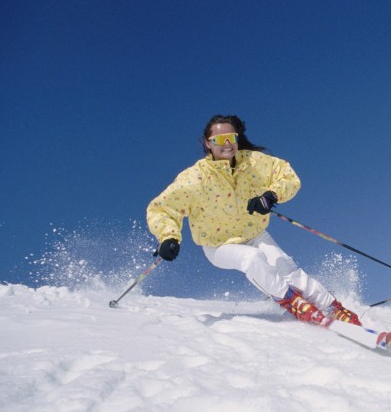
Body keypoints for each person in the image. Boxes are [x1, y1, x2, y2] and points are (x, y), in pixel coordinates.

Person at [146, 114, 361, 326]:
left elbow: (286, 175)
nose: (227, 144)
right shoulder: (194, 178)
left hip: (254, 234)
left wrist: (271, 195)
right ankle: (292, 303)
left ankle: (333, 307)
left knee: (286, 267)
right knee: (252, 259)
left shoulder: (252, 162)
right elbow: (162, 208)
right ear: (208, 143)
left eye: (232, 137)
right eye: (220, 140)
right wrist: (168, 237)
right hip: (218, 245)